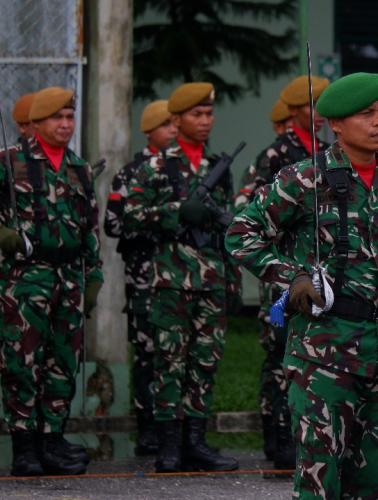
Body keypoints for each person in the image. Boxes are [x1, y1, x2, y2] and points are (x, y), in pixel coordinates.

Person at [226, 72, 378, 499]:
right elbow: (241, 233)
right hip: (324, 354)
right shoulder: (304, 179)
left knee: (367, 481)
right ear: (335, 124)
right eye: (366, 114)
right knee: (320, 479)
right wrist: (292, 277)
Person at [0, 86, 102, 476]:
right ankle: (24, 447)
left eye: (69, 117)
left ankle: (52, 441)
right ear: (37, 123)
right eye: (56, 118)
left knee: (62, 362)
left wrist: (92, 277)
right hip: (27, 278)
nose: (65, 125)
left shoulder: (79, 167)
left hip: (69, 277)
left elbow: (89, 227)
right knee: (22, 363)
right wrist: (1, 232)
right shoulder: (8, 161)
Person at [123, 83, 240, 473]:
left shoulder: (219, 168)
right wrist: (176, 209)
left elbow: (232, 229)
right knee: (170, 362)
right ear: (175, 120)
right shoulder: (155, 166)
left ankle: (195, 441)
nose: (205, 121)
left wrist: (233, 281)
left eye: (209, 115)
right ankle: (169, 443)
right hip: (170, 279)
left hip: (212, 279)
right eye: (196, 115)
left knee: (205, 361)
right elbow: (130, 216)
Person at [236, 76, 331, 471]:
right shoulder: (275, 155)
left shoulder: (328, 153)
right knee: (279, 351)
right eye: (313, 107)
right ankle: (275, 432)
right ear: (294, 111)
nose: (320, 115)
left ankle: (304, 432)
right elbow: (250, 210)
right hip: (283, 275)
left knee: (317, 352)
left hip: (321, 274)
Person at [103, 100, 178, 455]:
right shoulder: (131, 173)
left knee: (177, 354)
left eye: (174, 125)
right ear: (150, 131)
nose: (173, 131)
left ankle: (177, 429)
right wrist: (163, 218)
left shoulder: (185, 169)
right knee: (149, 354)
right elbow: (114, 223)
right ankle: (147, 426)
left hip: (180, 274)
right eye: (166, 125)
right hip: (145, 277)